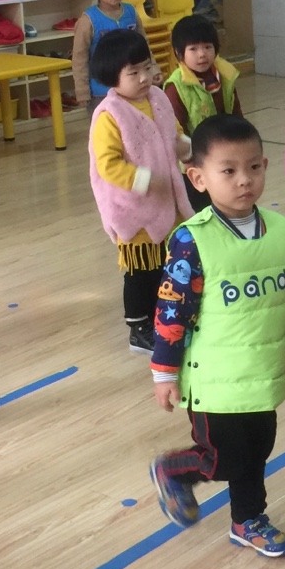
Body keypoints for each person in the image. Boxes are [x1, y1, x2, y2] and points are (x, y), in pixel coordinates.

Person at [149, 114, 285, 557]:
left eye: (254, 167)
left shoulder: (280, 231)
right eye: (228, 170)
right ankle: (176, 469)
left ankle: (248, 520)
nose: (244, 180)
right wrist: (164, 373)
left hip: (263, 373)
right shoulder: (192, 240)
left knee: (258, 450)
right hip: (214, 382)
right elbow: (171, 310)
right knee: (223, 458)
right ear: (199, 178)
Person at [89, 28, 192, 355]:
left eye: (147, 67)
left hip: (166, 201)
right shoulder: (109, 115)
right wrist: (144, 180)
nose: (145, 77)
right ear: (112, 78)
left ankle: (164, 317)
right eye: (133, 73)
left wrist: (188, 149)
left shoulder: (158, 98)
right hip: (132, 209)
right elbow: (108, 165)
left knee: (166, 266)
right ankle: (138, 326)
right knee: (140, 272)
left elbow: (174, 134)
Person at [163, 13, 243, 214]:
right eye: (193, 49)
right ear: (179, 53)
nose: (202, 54)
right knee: (203, 212)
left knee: (227, 206)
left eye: (207, 47)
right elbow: (176, 133)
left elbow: (236, 113)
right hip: (194, 165)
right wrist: (193, 161)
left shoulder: (225, 76)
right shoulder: (175, 87)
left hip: (224, 156)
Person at [71, 0, 146, 107]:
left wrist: (153, 69)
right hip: (101, 92)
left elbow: (144, 45)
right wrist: (82, 91)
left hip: (131, 88)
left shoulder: (131, 12)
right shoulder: (88, 21)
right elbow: (79, 59)